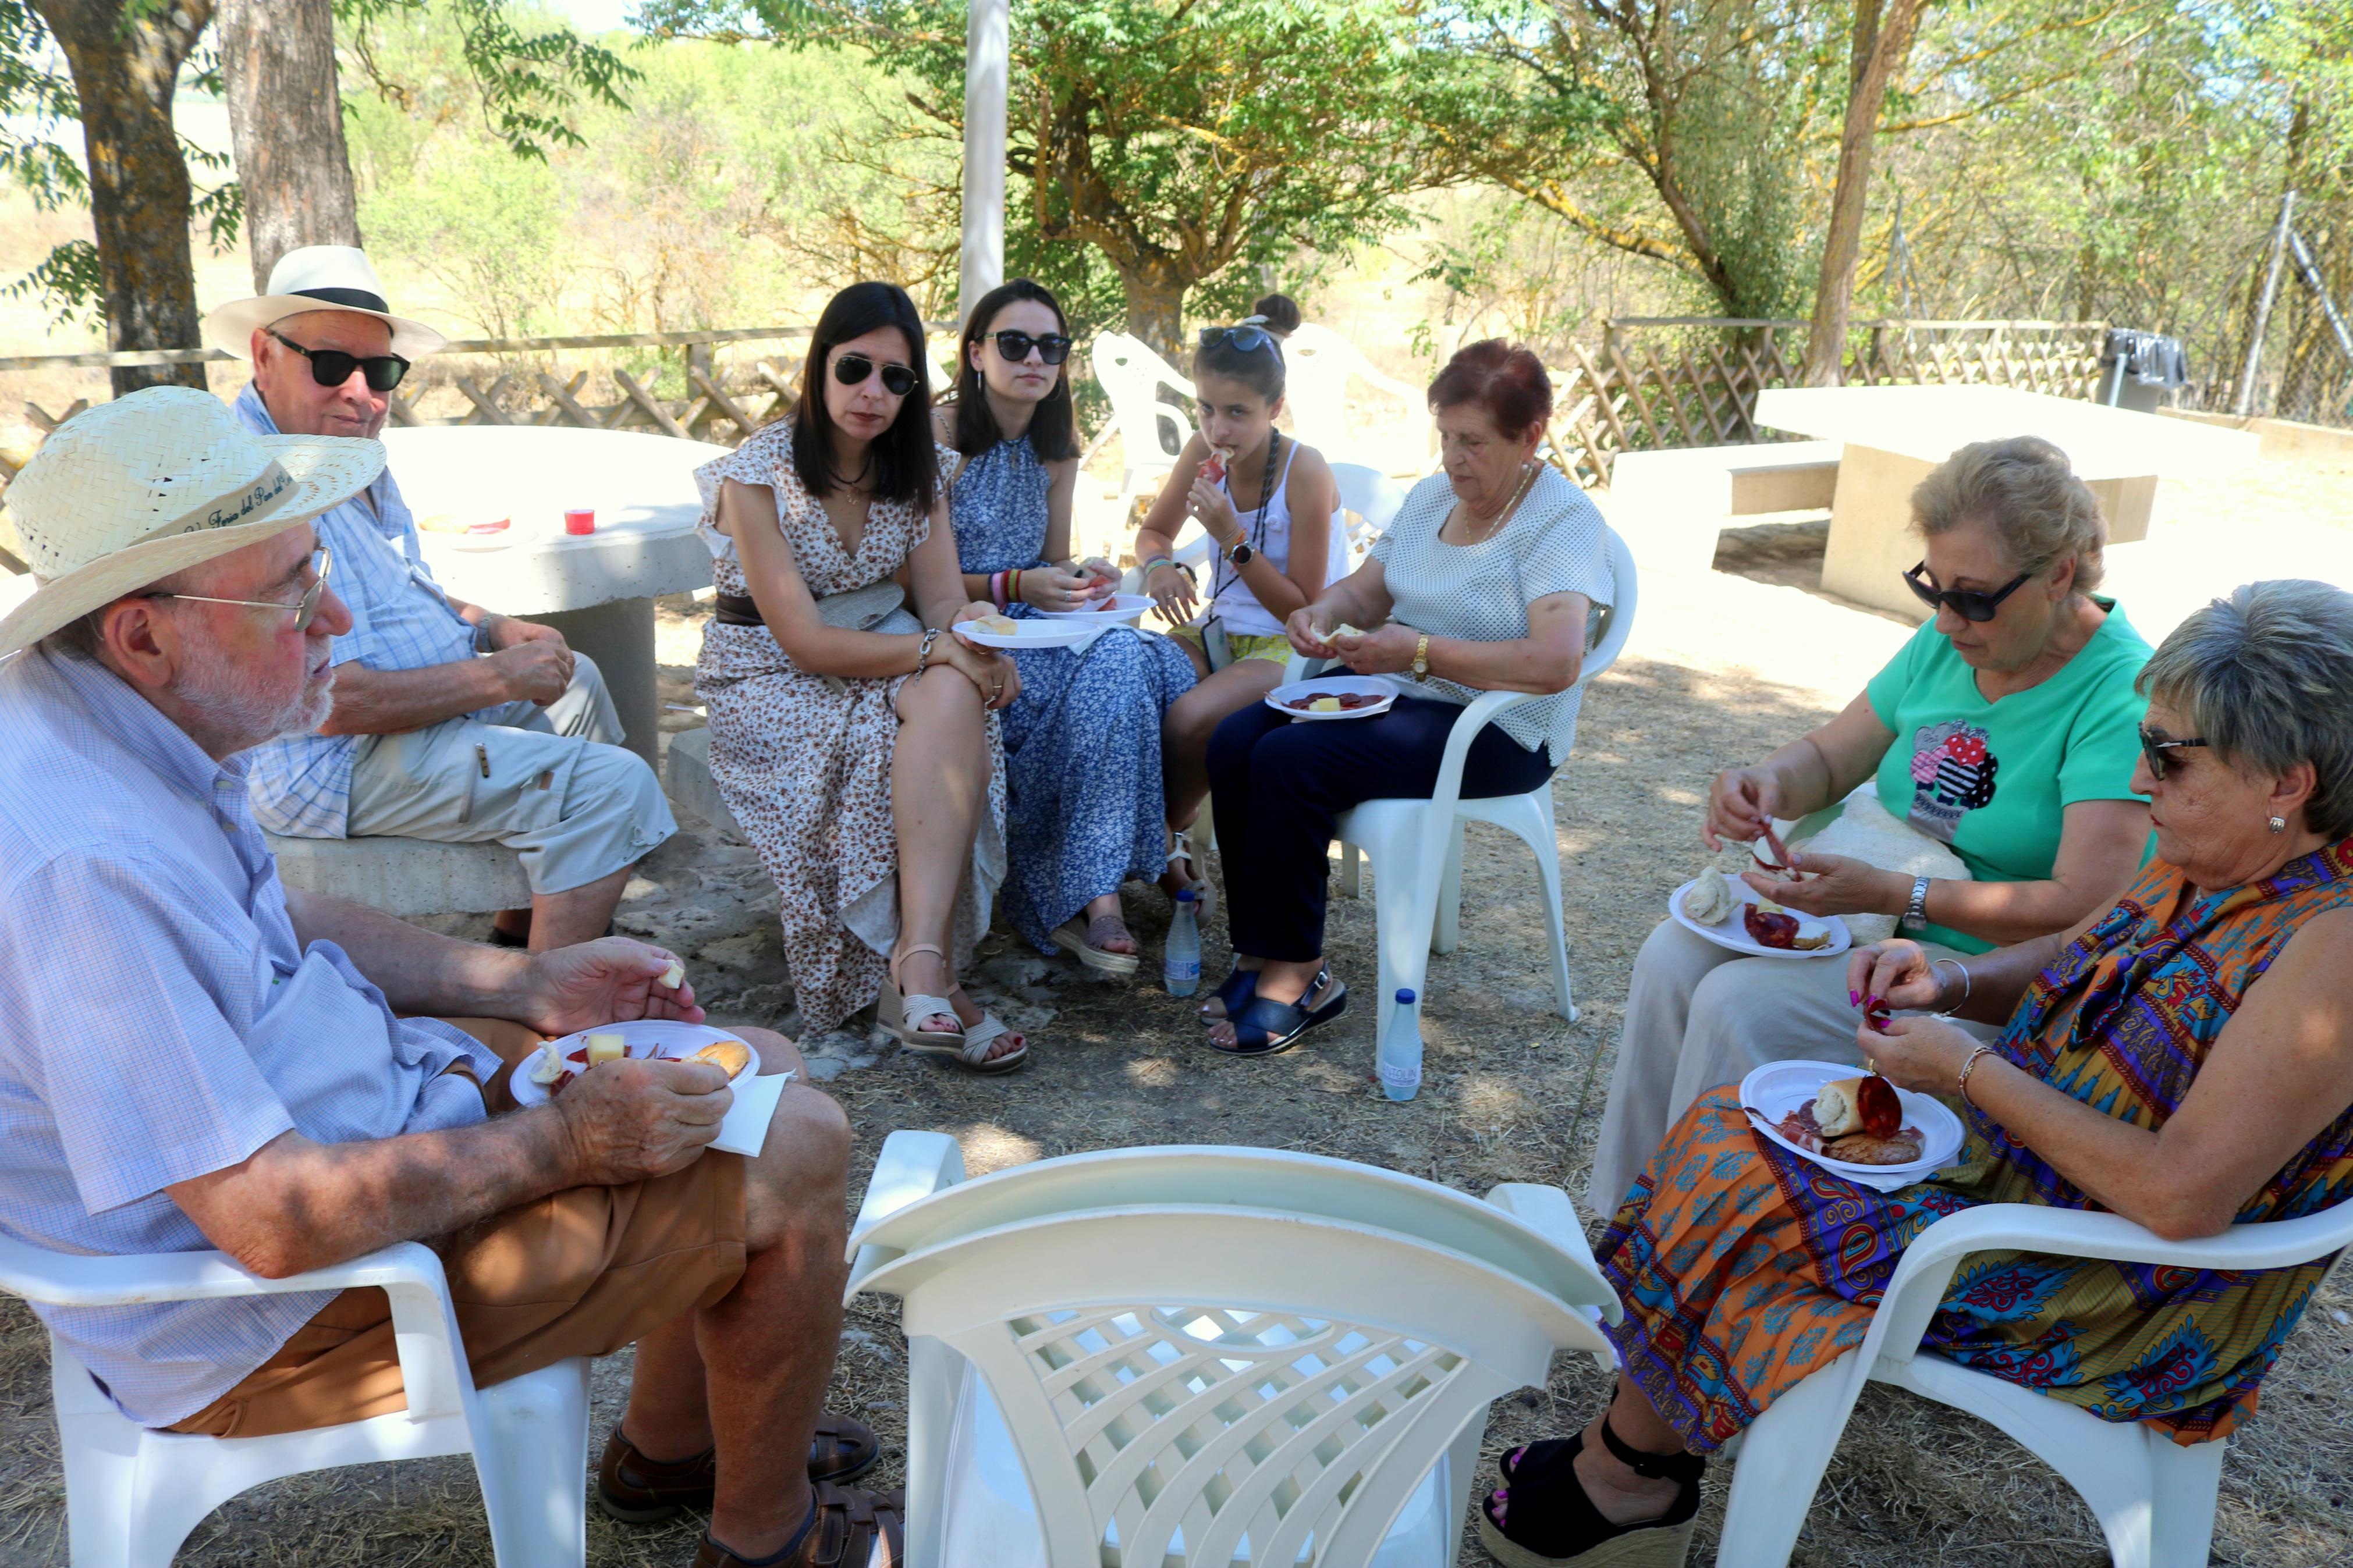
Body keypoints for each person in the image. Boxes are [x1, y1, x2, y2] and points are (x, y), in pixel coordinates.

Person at [0, 387, 899, 1568]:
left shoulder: (114, 726)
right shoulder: (84, 862)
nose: (330, 620)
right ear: (143, 634)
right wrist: (568, 1147)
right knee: (795, 1146)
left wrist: (521, 985)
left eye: (314, 569)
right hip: (271, 1312)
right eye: (287, 594)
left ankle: (666, 1453)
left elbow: (278, 914)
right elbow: (274, 1222)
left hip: (354, 1129)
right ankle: (765, 1542)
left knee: (757, 1066)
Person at [1482, 579, 2353, 1568]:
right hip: (2031, 1176)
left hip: (2116, 1283)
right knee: (1744, 1131)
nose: (2139, 775)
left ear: (2286, 782)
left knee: (1746, 1174)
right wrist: (1950, 981)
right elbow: (2086, 949)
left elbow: (2183, 1195)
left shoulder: (2331, 944)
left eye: (2167, 755)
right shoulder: (2216, 849)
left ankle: (1624, 1474)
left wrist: (1966, 1072)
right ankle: (1639, 1460)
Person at [1587, 435, 2156, 1214]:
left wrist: (1896, 891)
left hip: (1974, 970)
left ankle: (1698, 1236)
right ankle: (1624, 1215)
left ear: (2060, 573)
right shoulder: (1948, 639)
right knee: (1670, 952)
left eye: (1974, 596)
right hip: (1871, 917)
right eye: (1932, 588)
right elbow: (1829, 756)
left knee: (1738, 1003)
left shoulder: (2117, 695)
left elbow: (2085, 903)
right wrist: (1767, 781)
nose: (1948, 619)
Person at [204, 246, 675, 953]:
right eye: (332, 365)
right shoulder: (261, 483)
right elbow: (330, 702)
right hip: (325, 764)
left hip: (391, 723)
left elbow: (405, 590)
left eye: (382, 370)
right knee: (611, 787)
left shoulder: (349, 450)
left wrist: (493, 630)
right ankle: (553, 1016)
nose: (362, 393)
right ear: (263, 355)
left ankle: (523, 940)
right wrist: (497, 677)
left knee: (576, 681)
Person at [1198, 339, 1613, 1054]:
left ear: (1530, 436)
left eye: (1473, 442)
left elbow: (1554, 661)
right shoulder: (1433, 497)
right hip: (1407, 696)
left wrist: (1417, 652)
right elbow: (1369, 588)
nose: (1453, 458)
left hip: (1498, 728)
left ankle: (1300, 971)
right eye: (1445, 437)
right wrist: (1320, 612)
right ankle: (1258, 951)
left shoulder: (1560, 521)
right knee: (1236, 739)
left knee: (1290, 761)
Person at [694, 281, 1026, 1073]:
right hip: (766, 668)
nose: (872, 392)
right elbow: (804, 640)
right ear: (819, 367)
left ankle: (915, 959)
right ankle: (934, 977)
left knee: (960, 695)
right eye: (854, 368)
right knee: (908, 709)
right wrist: (931, 649)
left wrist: (976, 644)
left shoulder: (915, 470)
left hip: (881, 639)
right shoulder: (757, 474)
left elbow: (943, 599)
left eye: (896, 377)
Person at [938, 279, 1199, 972]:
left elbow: (1050, 559)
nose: (1034, 358)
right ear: (974, 354)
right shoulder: (938, 438)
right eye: (1014, 343)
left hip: (1032, 621)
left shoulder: (1057, 445)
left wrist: (1082, 573)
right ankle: (1102, 893)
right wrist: (1018, 584)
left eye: (1050, 346)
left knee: (1156, 661)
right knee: (1120, 667)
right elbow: (918, 578)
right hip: (965, 623)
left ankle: (1102, 883)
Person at [1135, 293, 1345, 899]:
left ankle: (1158, 841)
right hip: (1220, 629)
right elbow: (1153, 532)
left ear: (1274, 407)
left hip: (1295, 644)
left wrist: (1230, 536)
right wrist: (1159, 566)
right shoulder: (1203, 453)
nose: (1217, 430)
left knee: (1190, 717)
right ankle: (1150, 845)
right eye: (1205, 409)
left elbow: (1302, 606)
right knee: (1130, 687)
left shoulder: (1305, 471)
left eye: (1236, 413)